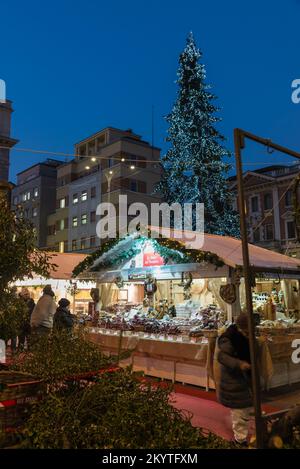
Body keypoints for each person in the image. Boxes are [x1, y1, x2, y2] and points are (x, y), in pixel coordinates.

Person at [217, 313, 253, 446]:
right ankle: (240, 440)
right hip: (235, 382)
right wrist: (239, 364)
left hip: (245, 381)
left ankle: (242, 434)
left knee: (245, 409)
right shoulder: (229, 339)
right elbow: (222, 357)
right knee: (239, 412)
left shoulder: (245, 336)